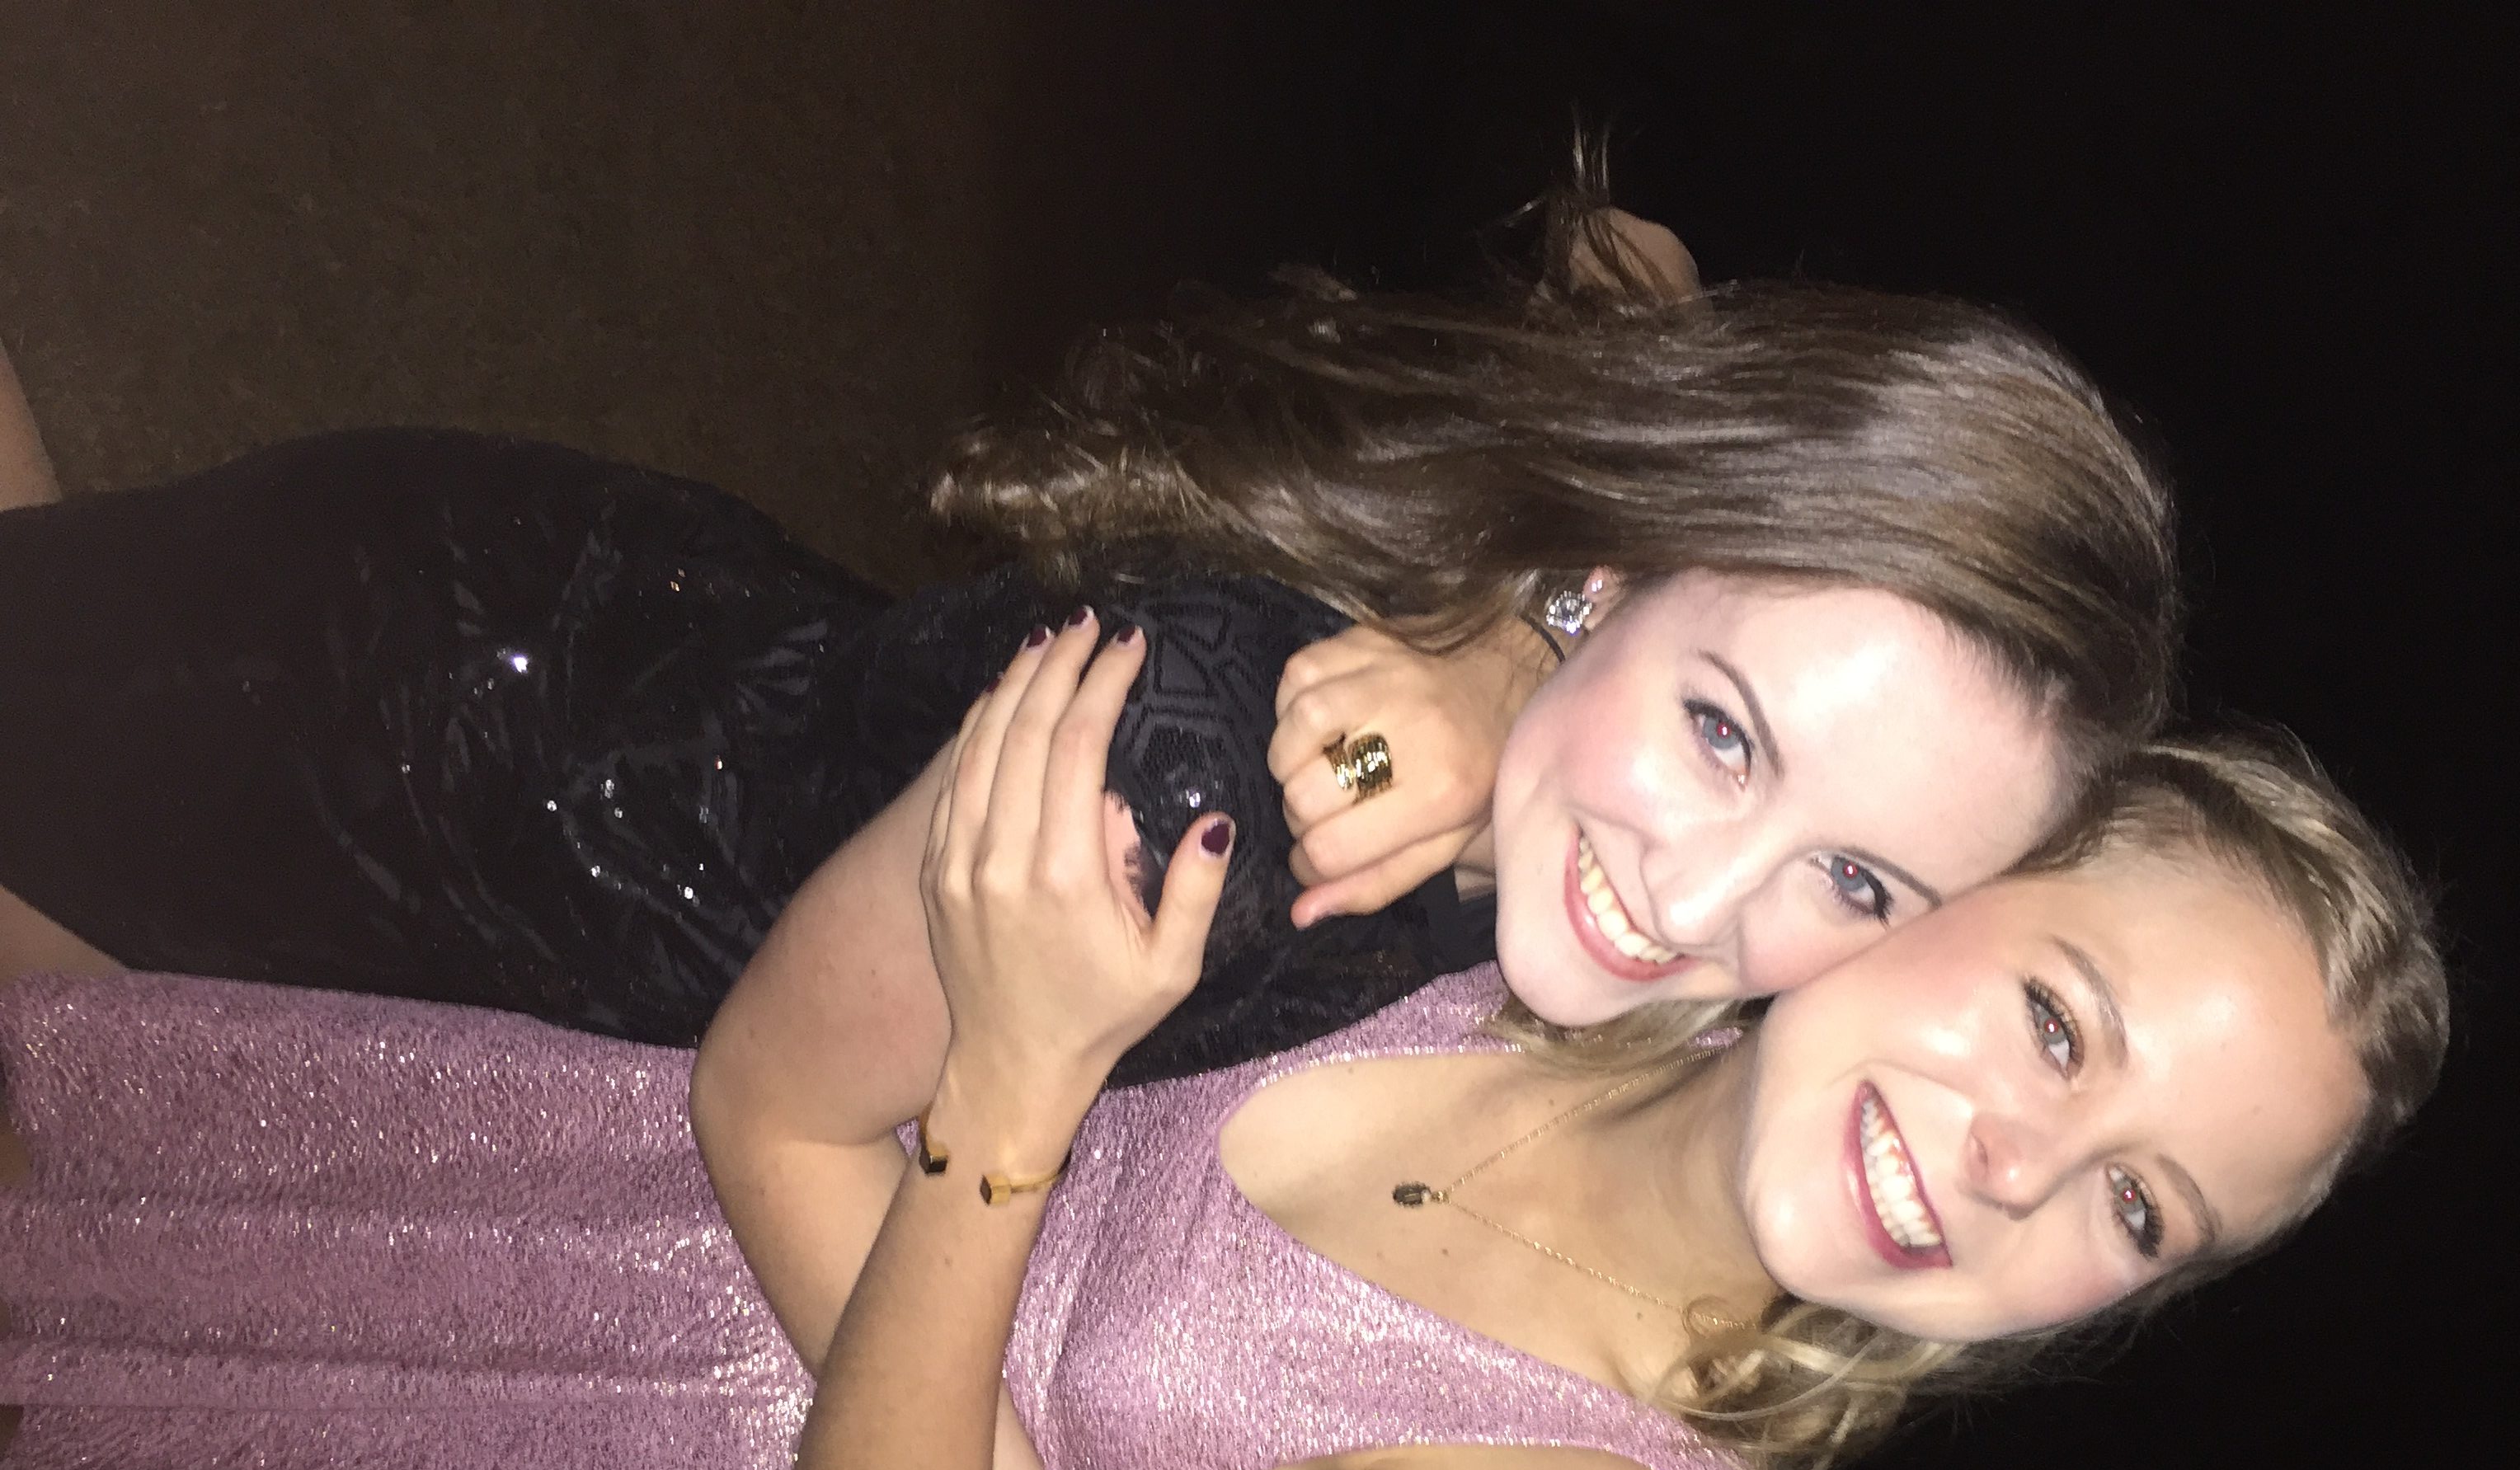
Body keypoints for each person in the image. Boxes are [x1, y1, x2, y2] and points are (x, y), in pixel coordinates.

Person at [0, 618, 2447, 1470]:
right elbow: (1650, 405)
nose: (2021, 1162)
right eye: (2061, 1019)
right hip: (599, 1168)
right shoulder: (1583, 944)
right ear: (1930, 874)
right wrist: (1510, 646)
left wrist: (1014, 1095)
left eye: (2141, 1208)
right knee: (92, 1164)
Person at [0, 184, 2178, 1077]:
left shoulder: (1543, 785)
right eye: (1721, 733)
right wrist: (1513, 635)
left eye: (1860, 882)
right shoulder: (1257, 780)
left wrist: (1530, 640)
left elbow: (1639, 276)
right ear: (1634, 568)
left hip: (611, 716)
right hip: (424, 727)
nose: (1702, 898)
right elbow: (1631, 284)